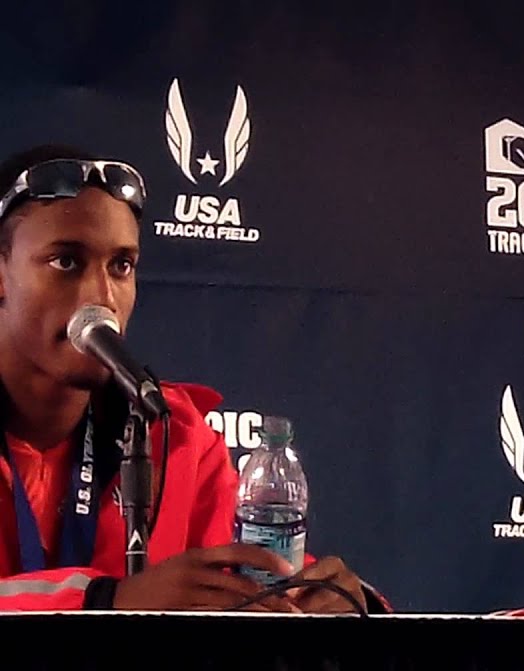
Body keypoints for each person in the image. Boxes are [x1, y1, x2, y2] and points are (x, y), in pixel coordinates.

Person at [0, 144, 382, 613]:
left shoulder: (175, 436)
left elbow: (252, 583)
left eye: (121, 266)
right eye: (66, 262)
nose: (100, 298)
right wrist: (103, 602)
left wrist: (342, 602)